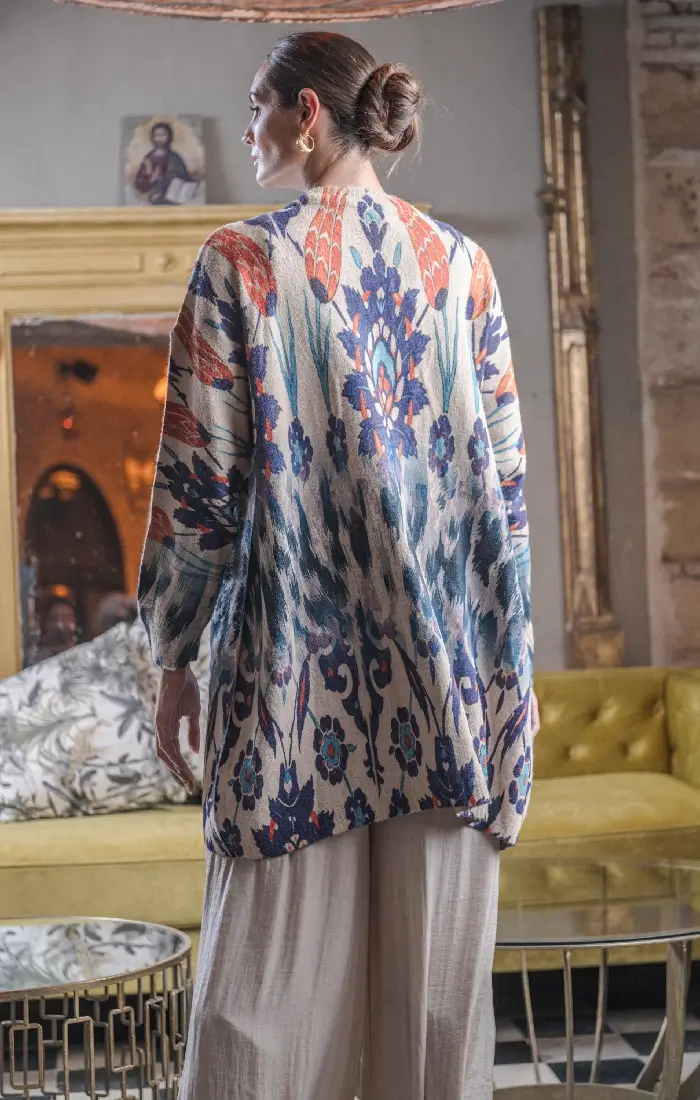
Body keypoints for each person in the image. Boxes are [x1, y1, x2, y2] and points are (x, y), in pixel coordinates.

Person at [139, 30, 537, 1100]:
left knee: (258, 1020)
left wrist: (174, 657)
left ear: (306, 114)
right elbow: (504, 501)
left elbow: (198, 482)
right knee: (433, 1026)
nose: (249, 126)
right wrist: (513, 680)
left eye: (257, 105)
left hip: (292, 690)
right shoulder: (464, 267)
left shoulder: (240, 261)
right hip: (450, 688)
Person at [134, 121, 194, 205]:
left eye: (163, 135)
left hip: (175, 195)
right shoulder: (149, 158)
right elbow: (140, 181)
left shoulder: (175, 157)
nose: (160, 138)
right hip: (156, 194)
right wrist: (151, 179)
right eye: (157, 135)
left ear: (169, 137)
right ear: (152, 137)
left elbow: (185, 176)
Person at [37, 596, 79, 662]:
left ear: (75, 621)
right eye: (55, 618)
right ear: (46, 623)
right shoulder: (36, 657)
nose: (60, 624)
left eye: (67, 618)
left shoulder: (85, 653)